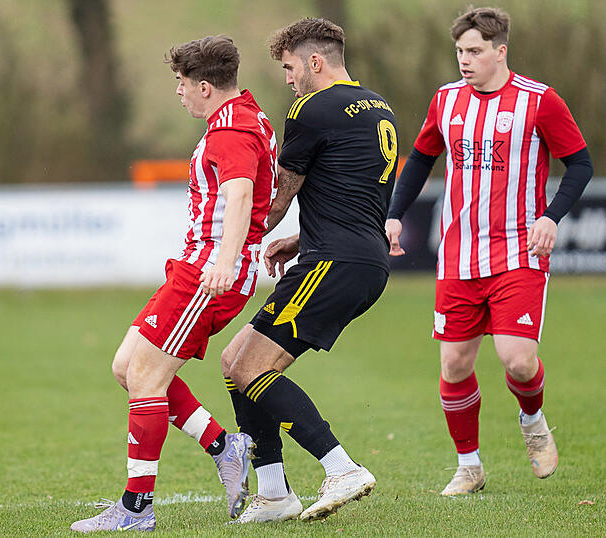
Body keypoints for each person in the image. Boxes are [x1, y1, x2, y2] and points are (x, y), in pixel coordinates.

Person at [70, 35, 277, 532]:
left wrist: (226, 261)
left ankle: (136, 508)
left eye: (182, 84)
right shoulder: (247, 114)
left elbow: (242, 194)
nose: (179, 93)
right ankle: (226, 446)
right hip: (196, 267)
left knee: (144, 377)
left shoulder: (230, 129)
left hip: (208, 274)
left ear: (205, 87)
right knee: (127, 368)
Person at [385, 7, 592, 496]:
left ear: (501, 51)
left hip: (519, 252)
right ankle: (469, 466)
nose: (464, 60)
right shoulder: (445, 101)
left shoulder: (539, 101)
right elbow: (420, 158)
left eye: (475, 51)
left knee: (517, 360)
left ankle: (533, 419)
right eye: (460, 51)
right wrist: (394, 212)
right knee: (455, 366)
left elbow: (580, 163)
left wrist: (550, 216)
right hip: (457, 255)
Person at [221, 18, 397, 523]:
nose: (289, 79)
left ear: (314, 62)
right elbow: (360, 196)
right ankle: (274, 493)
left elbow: (278, 197)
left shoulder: (311, 109)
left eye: (290, 67)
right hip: (362, 258)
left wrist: (231, 238)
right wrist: (300, 238)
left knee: (251, 367)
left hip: (333, 263)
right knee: (235, 361)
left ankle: (340, 467)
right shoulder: (379, 107)